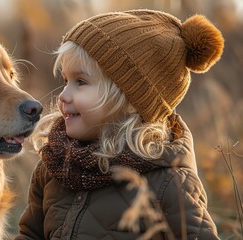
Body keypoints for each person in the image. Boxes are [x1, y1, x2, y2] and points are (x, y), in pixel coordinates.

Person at [15, 9, 223, 240]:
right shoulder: (54, 166)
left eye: (81, 82)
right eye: (65, 80)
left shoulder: (168, 183)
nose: (63, 95)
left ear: (132, 101)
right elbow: (30, 235)